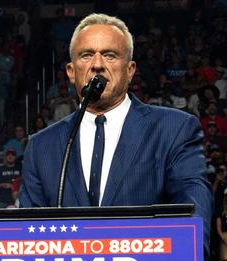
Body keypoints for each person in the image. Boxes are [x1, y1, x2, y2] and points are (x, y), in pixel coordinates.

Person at [19, 13, 212, 248]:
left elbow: (193, 219)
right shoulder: (41, 147)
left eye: (110, 55)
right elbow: (28, 241)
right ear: (71, 71)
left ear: (130, 70)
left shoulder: (174, 130)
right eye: (86, 55)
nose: (97, 64)